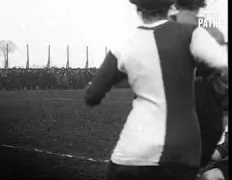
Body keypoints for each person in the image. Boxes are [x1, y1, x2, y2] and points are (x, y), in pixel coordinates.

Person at [84, 0, 228, 179]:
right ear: (170, 6)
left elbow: (92, 96)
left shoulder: (125, 44)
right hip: (182, 153)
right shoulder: (193, 34)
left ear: (138, 10)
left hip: (133, 153)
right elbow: (222, 65)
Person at [169, 0, 228, 168]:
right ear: (201, 4)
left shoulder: (161, 28)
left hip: (169, 96)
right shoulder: (212, 31)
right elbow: (222, 76)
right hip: (205, 98)